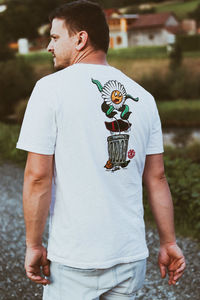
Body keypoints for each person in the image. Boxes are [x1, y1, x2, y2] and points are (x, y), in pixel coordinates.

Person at [16, 1, 186, 299]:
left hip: (76, 258)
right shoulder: (143, 98)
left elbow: (37, 177)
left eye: (55, 38)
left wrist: (33, 245)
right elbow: (157, 178)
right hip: (130, 256)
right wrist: (168, 242)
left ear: (80, 38)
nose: (49, 48)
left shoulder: (49, 89)